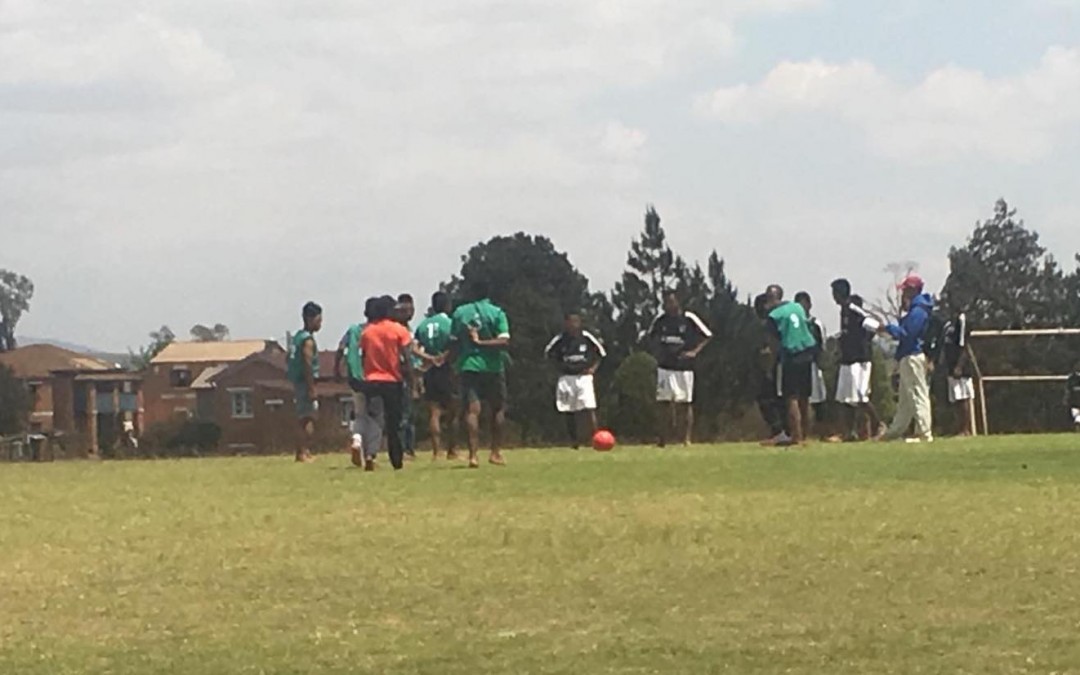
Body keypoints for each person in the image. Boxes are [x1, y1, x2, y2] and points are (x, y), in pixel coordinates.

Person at [450, 282, 511, 468]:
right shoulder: (497, 312)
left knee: (472, 410)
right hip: (492, 366)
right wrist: (482, 344)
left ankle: (473, 456)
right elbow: (504, 340)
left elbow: (453, 341)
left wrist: (454, 364)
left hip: (468, 365)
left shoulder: (460, 313)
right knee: (498, 409)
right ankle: (495, 452)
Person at [648, 291, 712, 447]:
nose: (668, 305)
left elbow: (708, 335)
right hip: (665, 368)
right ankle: (662, 439)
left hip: (684, 369)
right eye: (666, 302)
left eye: (671, 301)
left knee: (685, 404)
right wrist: (657, 354)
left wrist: (694, 352)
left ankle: (686, 439)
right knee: (663, 404)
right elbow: (651, 337)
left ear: (678, 302)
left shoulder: (689, 318)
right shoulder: (660, 320)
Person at [878, 275, 935, 443]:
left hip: (913, 355)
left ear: (912, 290)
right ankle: (895, 431)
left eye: (905, 290)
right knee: (905, 398)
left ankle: (924, 432)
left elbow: (907, 334)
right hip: (907, 356)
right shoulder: (915, 309)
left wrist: (887, 328)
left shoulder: (918, 311)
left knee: (917, 394)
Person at [360, 296, 414, 470]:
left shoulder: (367, 332)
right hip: (392, 380)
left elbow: (364, 356)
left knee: (374, 419)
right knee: (394, 423)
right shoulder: (399, 330)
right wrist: (411, 378)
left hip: (372, 379)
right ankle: (396, 459)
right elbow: (406, 357)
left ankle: (370, 454)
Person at [765, 285, 818, 446]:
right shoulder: (797, 307)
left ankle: (796, 436)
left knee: (791, 397)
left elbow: (773, 342)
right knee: (804, 397)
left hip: (791, 355)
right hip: (807, 352)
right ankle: (805, 435)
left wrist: (772, 362)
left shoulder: (774, 316)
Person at [545, 311, 606, 449]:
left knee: (589, 407)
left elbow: (601, 354)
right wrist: (557, 369)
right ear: (566, 323)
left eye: (576, 321)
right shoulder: (560, 339)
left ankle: (596, 439)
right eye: (570, 322)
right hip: (566, 378)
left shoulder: (586, 337)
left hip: (584, 377)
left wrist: (593, 369)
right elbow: (548, 354)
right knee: (569, 410)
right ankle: (574, 442)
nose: (573, 324)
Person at [831, 280, 883, 441]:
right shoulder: (843, 311)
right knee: (846, 398)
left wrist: (864, 343)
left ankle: (879, 425)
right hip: (847, 359)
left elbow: (873, 324)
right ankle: (849, 432)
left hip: (859, 360)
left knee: (861, 397)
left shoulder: (853, 309)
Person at [414, 291, 458, 460]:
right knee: (453, 410)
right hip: (447, 369)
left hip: (430, 370)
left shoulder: (423, 325)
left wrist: (429, 358)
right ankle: (452, 450)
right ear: (447, 305)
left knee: (434, 412)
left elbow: (414, 347)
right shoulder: (451, 323)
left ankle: (436, 451)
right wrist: (443, 357)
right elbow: (455, 344)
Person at [334, 300, 373, 466]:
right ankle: (370, 454)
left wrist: (337, 367)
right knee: (374, 417)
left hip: (355, 377)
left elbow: (341, 347)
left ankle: (356, 441)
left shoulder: (354, 330)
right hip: (373, 376)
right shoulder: (376, 331)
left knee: (359, 413)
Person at [287, 301, 322, 463]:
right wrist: (311, 387)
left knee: (302, 417)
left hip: (297, 381)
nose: (320, 323)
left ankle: (303, 451)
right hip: (305, 382)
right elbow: (307, 363)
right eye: (318, 319)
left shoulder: (296, 337)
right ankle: (303, 452)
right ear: (309, 319)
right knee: (307, 418)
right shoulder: (307, 340)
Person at [754, 293, 789, 444]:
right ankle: (779, 431)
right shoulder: (761, 324)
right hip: (767, 367)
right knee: (768, 399)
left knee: (778, 399)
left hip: (777, 364)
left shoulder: (773, 321)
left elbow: (773, 344)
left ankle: (783, 431)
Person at [795, 291, 829, 438]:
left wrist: (821, 363)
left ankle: (821, 432)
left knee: (817, 402)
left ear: (809, 305)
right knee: (799, 401)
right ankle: (801, 433)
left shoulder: (816, 324)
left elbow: (822, 346)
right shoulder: (795, 324)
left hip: (813, 366)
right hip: (797, 365)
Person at [942, 309, 975, 436]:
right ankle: (959, 427)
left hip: (960, 367)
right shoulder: (948, 324)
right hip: (950, 366)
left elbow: (963, 345)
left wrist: (959, 366)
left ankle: (965, 429)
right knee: (955, 399)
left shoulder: (961, 320)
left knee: (963, 398)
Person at [395, 293, 419, 460]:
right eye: (406, 309)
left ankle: (410, 447)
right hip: (401, 373)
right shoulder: (398, 329)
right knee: (403, 414)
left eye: (411, 309)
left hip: (411, 373)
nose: (409, 313)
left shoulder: (409, 330)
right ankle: (402, 448)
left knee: (410, 413)